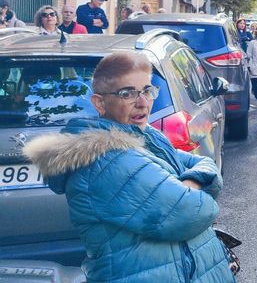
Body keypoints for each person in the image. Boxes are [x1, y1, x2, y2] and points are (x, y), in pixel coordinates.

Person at [23, 52, 235, 283]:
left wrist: (191, 181)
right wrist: (198, 183)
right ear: (99, 103)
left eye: (147, 90)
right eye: (127, 93)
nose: (143, 102)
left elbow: (202, 163)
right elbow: (191, 212)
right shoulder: (102, 159)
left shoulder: (146, 136)